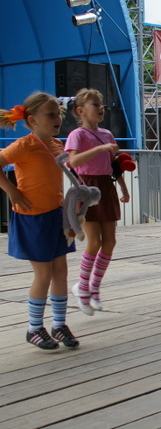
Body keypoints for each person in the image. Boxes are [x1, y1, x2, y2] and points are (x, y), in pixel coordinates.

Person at [0, 92, 79, 349]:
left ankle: (59, 325)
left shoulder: (57, 145)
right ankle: (34, 328)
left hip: (56, 216)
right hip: (33, 217)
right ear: (33, 120)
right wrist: (12, 191)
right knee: (43, 274)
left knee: (60, 271)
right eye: (50, 115)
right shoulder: (24, 145)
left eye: (59, 114)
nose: (57, 119)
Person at [65, 89, 130, 316]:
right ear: (81, 111)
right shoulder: (77, 134)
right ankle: (82, 287)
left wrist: (123, 188)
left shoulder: (107, 134)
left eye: (101, 104)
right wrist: (100, 148)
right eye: (95, 104)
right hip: (87, 187)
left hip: (106, 186)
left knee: (110, 241)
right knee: (94, 242)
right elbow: (73, 161)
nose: (101, 108)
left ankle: (94, 287)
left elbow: (113, 165)